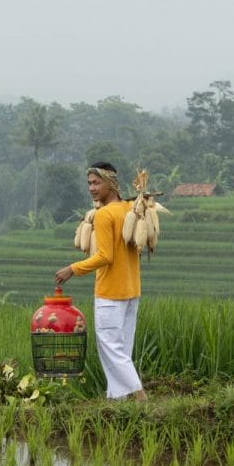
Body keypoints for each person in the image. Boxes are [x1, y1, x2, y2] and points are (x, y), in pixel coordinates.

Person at [54, 161, 147, 401]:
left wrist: (72, 269)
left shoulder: (104, 215)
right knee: (122, 349)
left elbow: (105, 256)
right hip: (132, 290)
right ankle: (117, 400)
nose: (92, 188)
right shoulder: (130, 209)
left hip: (110, 293)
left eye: (96, 183)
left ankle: (139, 395)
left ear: (111, 183)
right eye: (89, 183)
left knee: (111, 349)